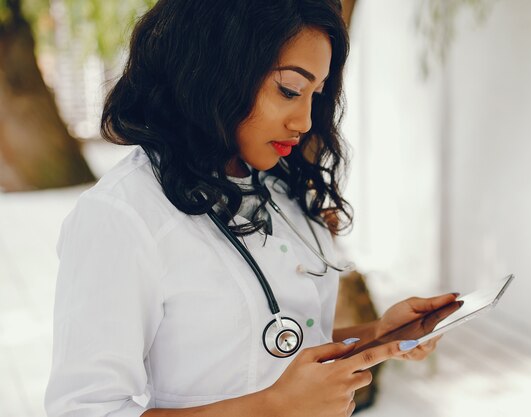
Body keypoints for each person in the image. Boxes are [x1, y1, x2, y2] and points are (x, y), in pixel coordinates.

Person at [45, 1, 460, 416]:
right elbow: (82, 410)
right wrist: (272, 407)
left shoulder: (277, 185)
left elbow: (269, 342)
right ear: (215, 70)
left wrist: (377, 334)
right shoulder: (121, 215)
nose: (305, 121)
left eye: (316, 95)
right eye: (289, 91)